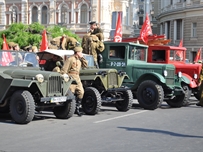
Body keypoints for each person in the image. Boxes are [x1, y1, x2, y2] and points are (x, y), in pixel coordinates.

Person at [60, 47, 88, 116]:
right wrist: (66, 78)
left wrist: (82, 58)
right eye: (80, 52)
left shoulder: (80, 60)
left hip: (77, 78)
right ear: (77, 52)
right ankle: (70, 109)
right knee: (71, 94)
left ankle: (77, 108)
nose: (81, 53)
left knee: (81, 92)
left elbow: (85, 65)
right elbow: (64, 70)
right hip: (71, 78)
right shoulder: (70, 59)